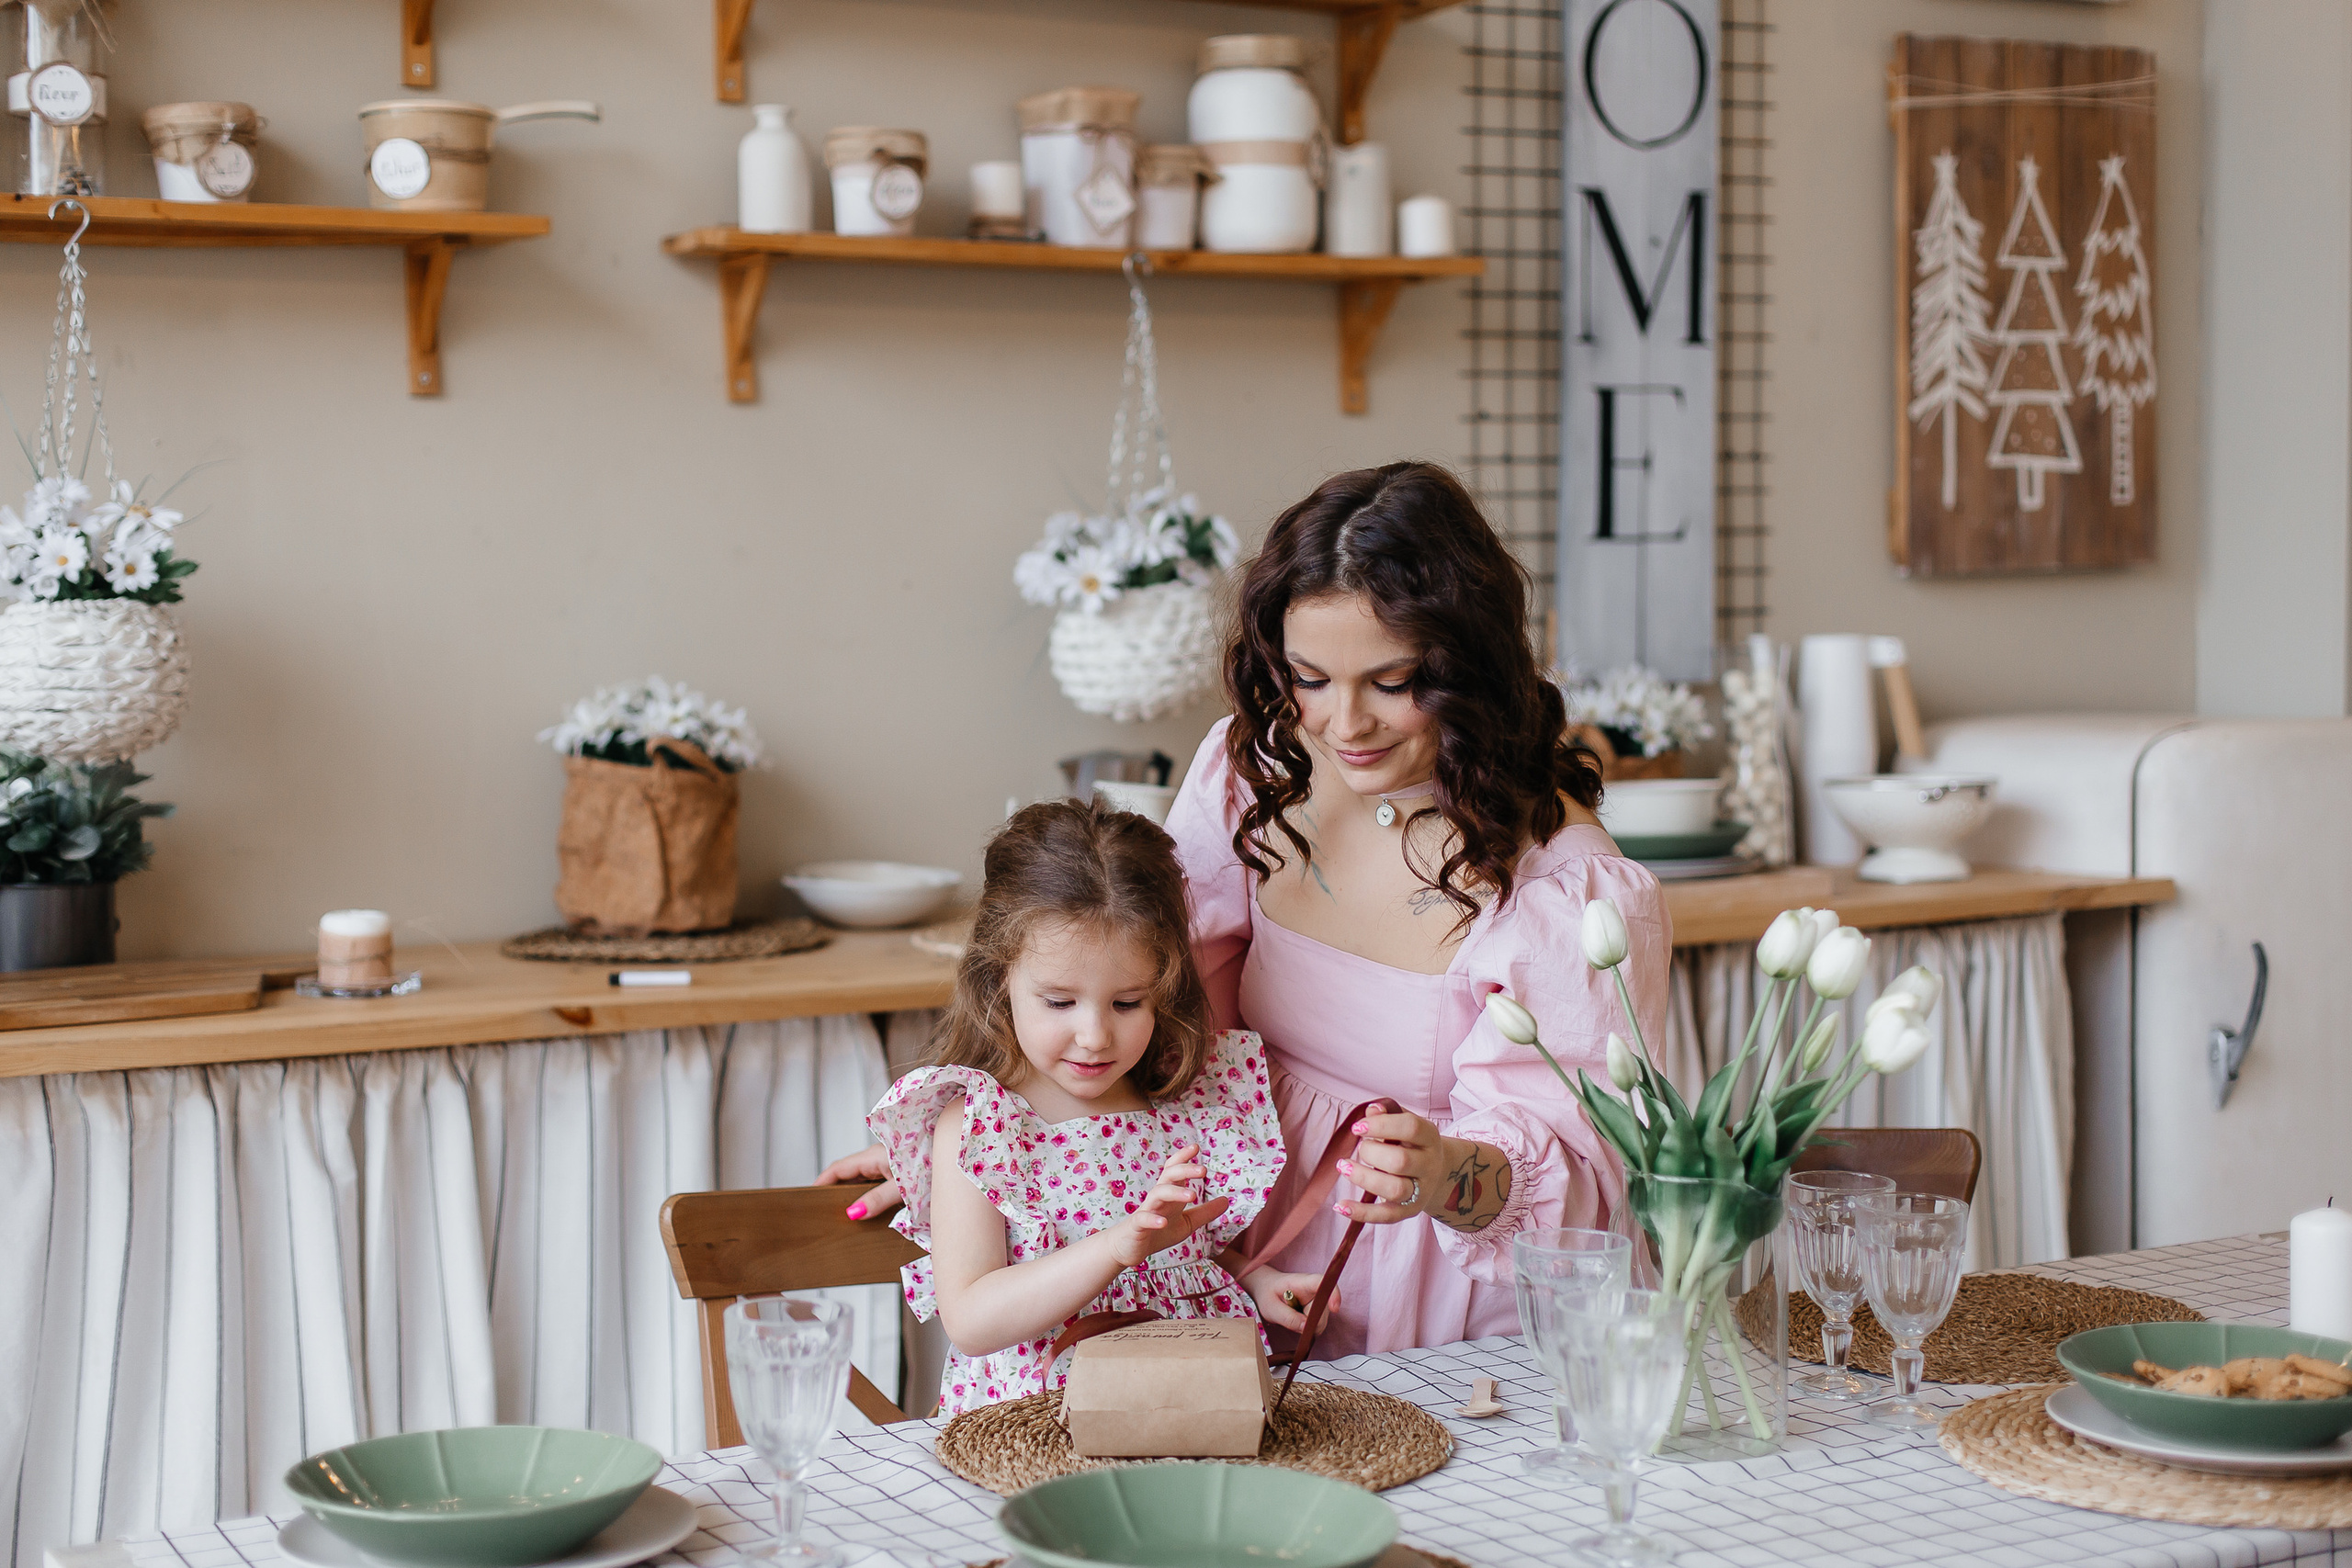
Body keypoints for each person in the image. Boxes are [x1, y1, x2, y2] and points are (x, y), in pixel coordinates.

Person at [829, 459, 1670, 1359]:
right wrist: (997, 1142)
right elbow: (1135, 990)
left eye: (1391, 682)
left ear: (1470, 669)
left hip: (1451, 1302)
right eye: (1309, 677)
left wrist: (1442, 1174)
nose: (1344, 723)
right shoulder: (1256, 774)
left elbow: (1587, 1187)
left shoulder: (1564, 893)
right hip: (1238, 1254)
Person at [864, 798, 1317, 1414]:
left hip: (1186, 1411)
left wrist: (1256, 1279)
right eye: (1059, 1002)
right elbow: (971, 1316)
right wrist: (1112, 1247)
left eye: (1127, 1002)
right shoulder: (982, 1126)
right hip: (1038, 1424)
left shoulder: (1181, 1101)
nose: (1096, 1035)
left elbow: (1181, 1252)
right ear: (1000, 977)